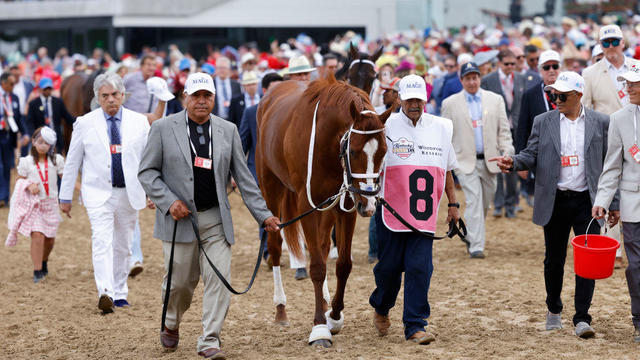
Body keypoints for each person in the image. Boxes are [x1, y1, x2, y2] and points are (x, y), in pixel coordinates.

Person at [138, 72, 280, 359]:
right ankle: (171, 321)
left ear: (215, 98)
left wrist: (264, 215)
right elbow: (147, 172)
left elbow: (244, 177)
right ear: (185, 98)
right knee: (179, 284)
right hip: (179, 221)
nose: (202, 101)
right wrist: (168, 201)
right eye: (196, 96)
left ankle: (210, 340)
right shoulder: (163, 128)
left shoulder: (227, 130)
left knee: (219, 280)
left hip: (216, 220)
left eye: (207, 96)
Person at [491, 71, 614, 339]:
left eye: (561, 95)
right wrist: (513, 162)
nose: (555, 99)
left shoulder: (601, 122)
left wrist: (611, 203)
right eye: (553, 94)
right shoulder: (543, 121)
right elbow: (530, 153)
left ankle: (582, 317)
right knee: (553, 260)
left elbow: (610, 165)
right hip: (555, 200)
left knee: (587, 263)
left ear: (579, 95)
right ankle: (553, 310)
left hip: (588, 203)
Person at [370, 74, 460, 344]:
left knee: (420, 268)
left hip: (423, 215)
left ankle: (415, 325)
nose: (414, 104)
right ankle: (382, 305)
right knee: (388, 269)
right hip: (391, 212)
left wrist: (453, 204)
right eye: (409, 99)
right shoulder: (382, 126)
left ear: (426, 100)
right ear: (399, 99)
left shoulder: (441, 127)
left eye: (419, 99)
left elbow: (447, 170)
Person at [59, 72, 150, 314]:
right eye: (105, 95)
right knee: (101, 241)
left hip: (129, 192)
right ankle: (105, 292)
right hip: (97, 193)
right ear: (98, 98)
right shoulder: (84, 123)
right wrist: (65, 197)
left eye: (115, 94)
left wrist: (152, 192)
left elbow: (149, 161)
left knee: (123, 246)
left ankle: (120, 292)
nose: (111, 99)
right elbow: (72, 162)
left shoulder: (139, 122)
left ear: (123, 96)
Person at [442, 62, 514, 259]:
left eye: (475, 78)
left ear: (479, 78)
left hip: (491, 160)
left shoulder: (495, 100)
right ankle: (476, 246)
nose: (472, 82)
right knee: (474, 200)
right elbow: (446, 136)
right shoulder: (450, 103)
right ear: (461, 80)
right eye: (468, 78)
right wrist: (448, 160)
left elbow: (504, 131)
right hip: (465, 161)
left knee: (485, 203)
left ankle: (472, 233)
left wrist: (507, 150)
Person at [582, 24, 639, 268]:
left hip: (635, 138)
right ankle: (613, 248)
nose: (610, 47)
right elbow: (585, 110)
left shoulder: (636, 67)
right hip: (606, 138)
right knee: (611, 188)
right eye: (605, 43)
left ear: (623, 43)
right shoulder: (590, 73)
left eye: (614, 41)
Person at [592, 66, 640, 343]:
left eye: (634, 83)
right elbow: (611, 167)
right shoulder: (619, 119)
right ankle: (638, 321)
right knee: (635, 266)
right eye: (626, 83)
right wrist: (602, 200)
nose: (628, 88)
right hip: (633, 205)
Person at [5, 127, 64, 283]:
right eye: (40, 142)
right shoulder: (26, 161)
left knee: (50, 240)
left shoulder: (57, 160)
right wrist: (29, 185)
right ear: (33, 142)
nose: (43, 146)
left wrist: (82, 190)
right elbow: (19, 179)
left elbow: (66, 178)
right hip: (35, 204)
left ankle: (44, 262)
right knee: (37, 235)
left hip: (51, 204)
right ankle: (37, 270)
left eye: (46, 143)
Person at [239, 72, 282, 263]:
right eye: (274, 89)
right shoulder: (251, 112)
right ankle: (267, 250)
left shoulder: (290, 113)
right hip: (259, 173)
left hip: (284, 173)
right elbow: (242, 144)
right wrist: (238, 173)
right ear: (264, 91)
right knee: (264, 212)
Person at [481, 49, 526, 218]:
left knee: (514, 165)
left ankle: (512, 204)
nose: (510, 67)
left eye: (513, 64)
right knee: (497, 166)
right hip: (495, 127)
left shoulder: (521, 79)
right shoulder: (488, 80)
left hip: (515, 128)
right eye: (507, 64)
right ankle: (498, 203)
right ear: (499, 63)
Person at [516, 50, 561, 207]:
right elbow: (522, 127)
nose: (551, 70)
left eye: (555, 66)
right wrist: (521, 160)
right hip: (543, 155)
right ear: (540, 70)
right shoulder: (531, 94)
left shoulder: (571, 91)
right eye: (546, 67)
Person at [1, 72, 30, 207]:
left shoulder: (15, 98)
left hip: (8, 136)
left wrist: (25, 133)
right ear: (3, 83)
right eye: (12, 84)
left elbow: (19, 119)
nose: (14, 86)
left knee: (7, 167)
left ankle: (4, 198)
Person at [26, 77, 75, 154]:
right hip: (40, 139)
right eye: (45, 89)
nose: (48, 91)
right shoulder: (33, 104)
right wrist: (33, 135)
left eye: (49, 89)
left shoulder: (58, 102)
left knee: (56, 161)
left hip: (55, 138)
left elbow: (68, 117)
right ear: (40, 89)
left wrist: (80, 121)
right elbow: (29, 122)